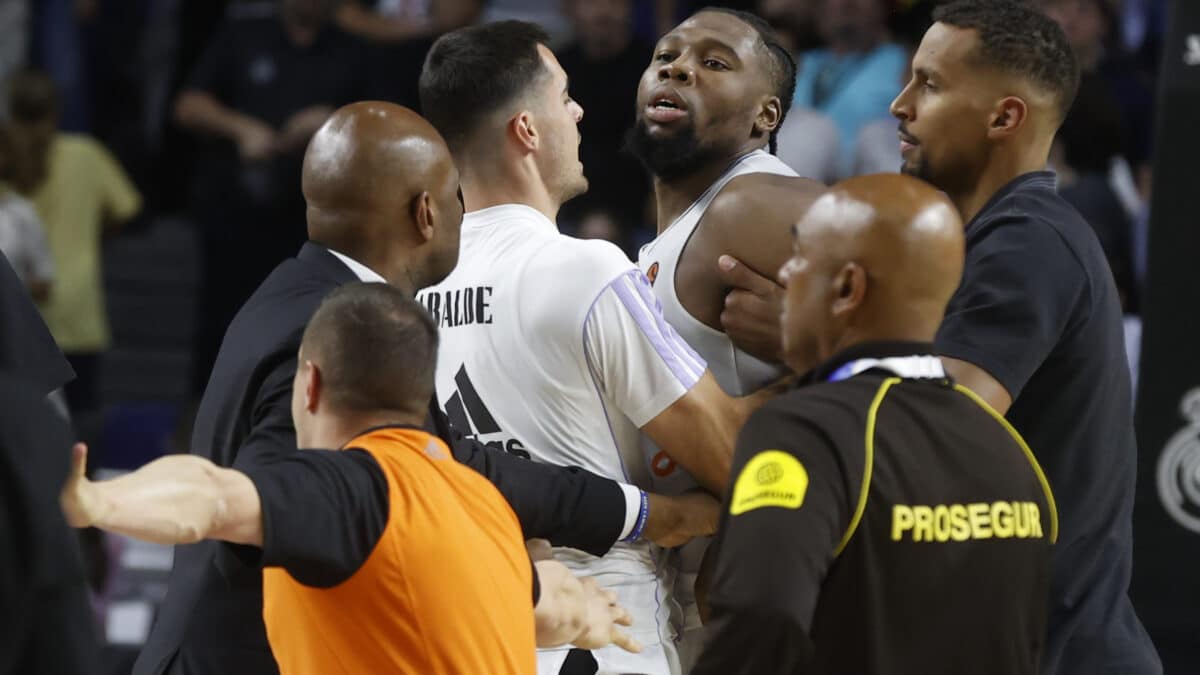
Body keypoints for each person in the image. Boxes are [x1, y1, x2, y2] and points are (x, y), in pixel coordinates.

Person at [134, 102, 715, 675]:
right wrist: (522, 585)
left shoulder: (301, 296)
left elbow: (462, 467)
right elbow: (298, 501)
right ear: (426, 214)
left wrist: (642, 513)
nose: (467, 214)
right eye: (456, 198)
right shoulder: (321, 332)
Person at [719, 2, 1162, 672]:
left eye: (929, 84)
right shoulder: (986, 238)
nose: (899, 105)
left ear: (1004, 118)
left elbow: (935, 441)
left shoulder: (1030, 241)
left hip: (1061, 651)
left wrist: (807, 335)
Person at [418, 21, 772, 675]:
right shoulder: (582, 269)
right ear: (526, 130)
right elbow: (733, 457)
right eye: (563, 96)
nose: (578, 112)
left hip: (471, 633)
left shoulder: (408, 289)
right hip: (605, 636)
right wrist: (817, 352)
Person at [61, 282, 639, 675]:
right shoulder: (482, 501)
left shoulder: (350, 491)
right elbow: (551, 605)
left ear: (308, 384)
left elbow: (212, 498)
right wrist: (595, 618)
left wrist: (94, 501)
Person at [694, 173, 1056, 675]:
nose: (787, 275)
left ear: (847, 288)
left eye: (800, 258)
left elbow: (759, 618)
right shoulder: (1011, 449)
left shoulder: (804, 431)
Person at [627, 8, 824, 667]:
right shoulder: (669, 236)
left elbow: (923, 289)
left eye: (714, 63)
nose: (677, 66)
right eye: (665, 57)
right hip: (676, 587)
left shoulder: (753, 203)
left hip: (746, 591)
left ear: (764, 118)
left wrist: (821, 347)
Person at [174, 0, 376, 396]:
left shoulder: (355, 47)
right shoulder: (242, 33)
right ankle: (207, 423)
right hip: (238, 212)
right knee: (223, 323)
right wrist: (240, 128)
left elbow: (388, 122)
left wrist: (332, 119)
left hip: (315, 224)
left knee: (310, 324)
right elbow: (187, 106)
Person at [5, 68, 142, 415]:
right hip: (78, 316)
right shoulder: (86, 154)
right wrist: (93, 231)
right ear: (56, 110)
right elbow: (128, 208)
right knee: (78, 433)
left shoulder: (6, 162)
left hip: (15, 322)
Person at [791, 0, 908, 172]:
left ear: (884, 7)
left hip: (872, 187)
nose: (846, 3)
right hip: (791, 187)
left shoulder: (908, 65)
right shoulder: (796, 63)